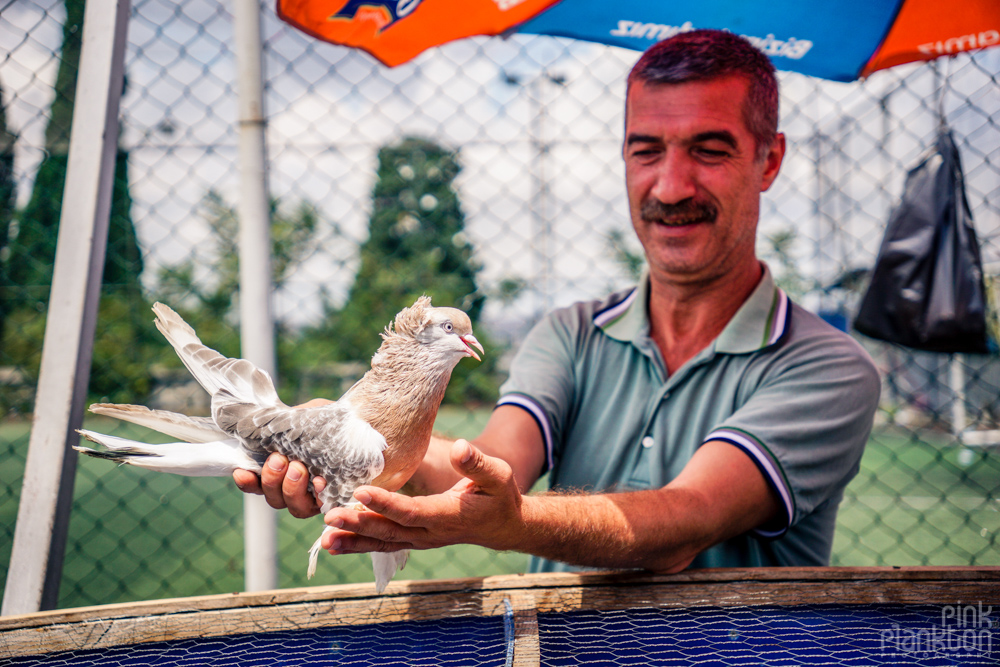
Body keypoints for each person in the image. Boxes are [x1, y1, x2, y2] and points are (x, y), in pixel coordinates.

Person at [233, 29, 880, 574]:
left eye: (710, 150)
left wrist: (511, 520)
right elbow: (488, 465)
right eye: (646, 149)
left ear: (770, 160)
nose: (672, 184)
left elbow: (689, 518)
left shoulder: (830, 367)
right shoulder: (571, 332)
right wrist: (351, 435)